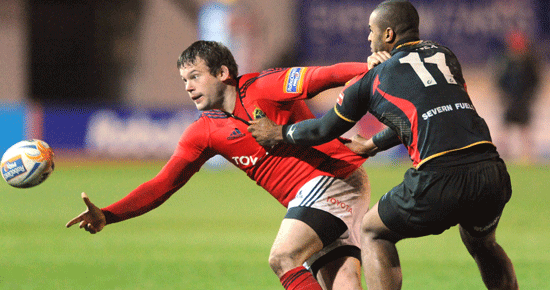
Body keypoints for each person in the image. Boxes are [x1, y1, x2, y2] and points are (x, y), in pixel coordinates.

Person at [66, 40, 390, 290]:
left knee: (283, 257)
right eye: (183, 80)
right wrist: (108, 214)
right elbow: (162, 184)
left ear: (222, 74)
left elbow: (322, 76)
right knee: (342, 281)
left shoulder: (263, 87)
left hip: (332, 179)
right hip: (322, 193)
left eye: (195, 76)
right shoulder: (203, 132)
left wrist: (370, 67)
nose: (188, 86)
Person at [248, 1, 518, 289]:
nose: (368, 38)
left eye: (371, 31)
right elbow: (436, 112)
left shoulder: (373, 78)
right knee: (482, 243)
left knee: (373, 230)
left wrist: (279, 133)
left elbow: (324, 129)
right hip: (491, 173)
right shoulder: (444, 55)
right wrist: (375, 143)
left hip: (439, 175)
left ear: (388, 35)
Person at [495, 30, 540, 164]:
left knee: (525, 128)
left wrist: (529, 97)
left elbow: (535, 81)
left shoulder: (530, 61)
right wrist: (504, 97)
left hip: (524, 100)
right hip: (509, 100)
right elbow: (499, 80)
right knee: (505, 127)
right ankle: (502, 154)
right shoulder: (505, 60)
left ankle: (527, 155)